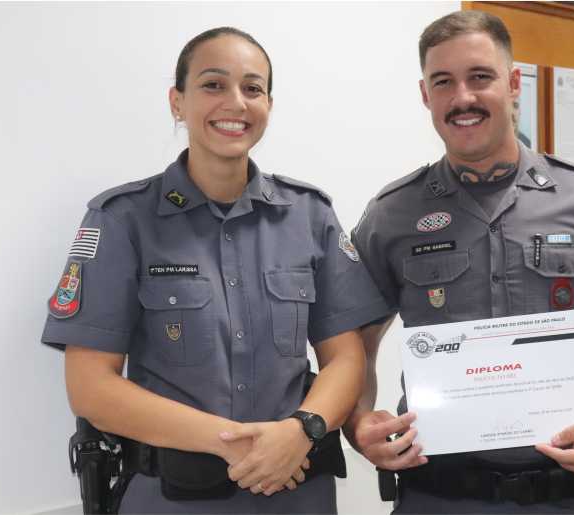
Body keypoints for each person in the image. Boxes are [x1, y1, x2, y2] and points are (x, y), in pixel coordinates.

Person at [345, 11, 574, 514]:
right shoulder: (391, 214)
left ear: (512, 84)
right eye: (443, 82)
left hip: (573, 497)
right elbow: (352, 344)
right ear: (425, 95)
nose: (462, 97)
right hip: (438, 498)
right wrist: (358, 423)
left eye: (479, 76)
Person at [41, 27, 390, 514]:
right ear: (177, 102)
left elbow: (347, 359)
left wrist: (302, 429)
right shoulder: (122, 220)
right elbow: (90, 387)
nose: (236, 102)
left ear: (269, 104)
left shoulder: (309, 215)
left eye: (253, 88)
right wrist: (236, 445)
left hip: (298, 495)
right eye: (213, 84)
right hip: (171, 499)